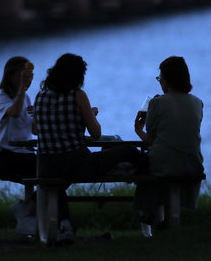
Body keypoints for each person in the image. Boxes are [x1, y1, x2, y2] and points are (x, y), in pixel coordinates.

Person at [34, 53, 142, 243]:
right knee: (129, 150)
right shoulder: (78, 95)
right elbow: (96, 133)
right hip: (77, 164)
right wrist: (90, 114)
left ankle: (65, 225)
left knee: (56, 183)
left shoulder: (40, 96)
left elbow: (40, 129)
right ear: (78, 75)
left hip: (46, 166)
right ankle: (147, 195)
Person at [133, 56, 204, 237]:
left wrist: (138, 129)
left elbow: (151, 139)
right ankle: (164, 223)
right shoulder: (197, 103)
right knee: (165, 158)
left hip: (164, 164)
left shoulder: (157, 102)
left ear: (167, 79)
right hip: (193, 163)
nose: (160, 82)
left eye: (160, 78)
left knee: (149, 164)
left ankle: (150, 217)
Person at [0, 56, 37, 235]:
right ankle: (29, 213)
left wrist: (38, 115)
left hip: (23, 154)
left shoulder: (26, 98)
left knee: (56, 169)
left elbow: (35, 130)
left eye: (29, 77)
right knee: (51, 170)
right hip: (4, 156)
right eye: (23, 76)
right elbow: (15, 113)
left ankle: (28, 211)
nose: (27, 81)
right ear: (10, 76)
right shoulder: (0, 98)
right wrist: (22, 90)